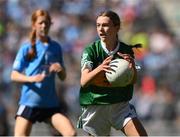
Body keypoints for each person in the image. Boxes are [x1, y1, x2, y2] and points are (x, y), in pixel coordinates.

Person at [78, 10, 148, 136]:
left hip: (120, 106)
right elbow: (83, 81)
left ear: (116, 27)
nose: (101, 29)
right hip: (96, 107)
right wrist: (100, 68)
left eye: (105, 25)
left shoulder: (126, 50)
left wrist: (132, 69)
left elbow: (133, 81)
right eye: (98, 25)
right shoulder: (91, 50)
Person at [10, 9, 76, 136]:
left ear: (51, 24)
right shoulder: (26, 47)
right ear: (34, 24)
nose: (44, 26)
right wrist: (32, 79)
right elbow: (14, 75)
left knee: (70, 133)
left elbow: (63, 77)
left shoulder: (56, 47)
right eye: (40, 23)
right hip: (30, 102)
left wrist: (60, 70)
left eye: (46, 23)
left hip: (50, 104)